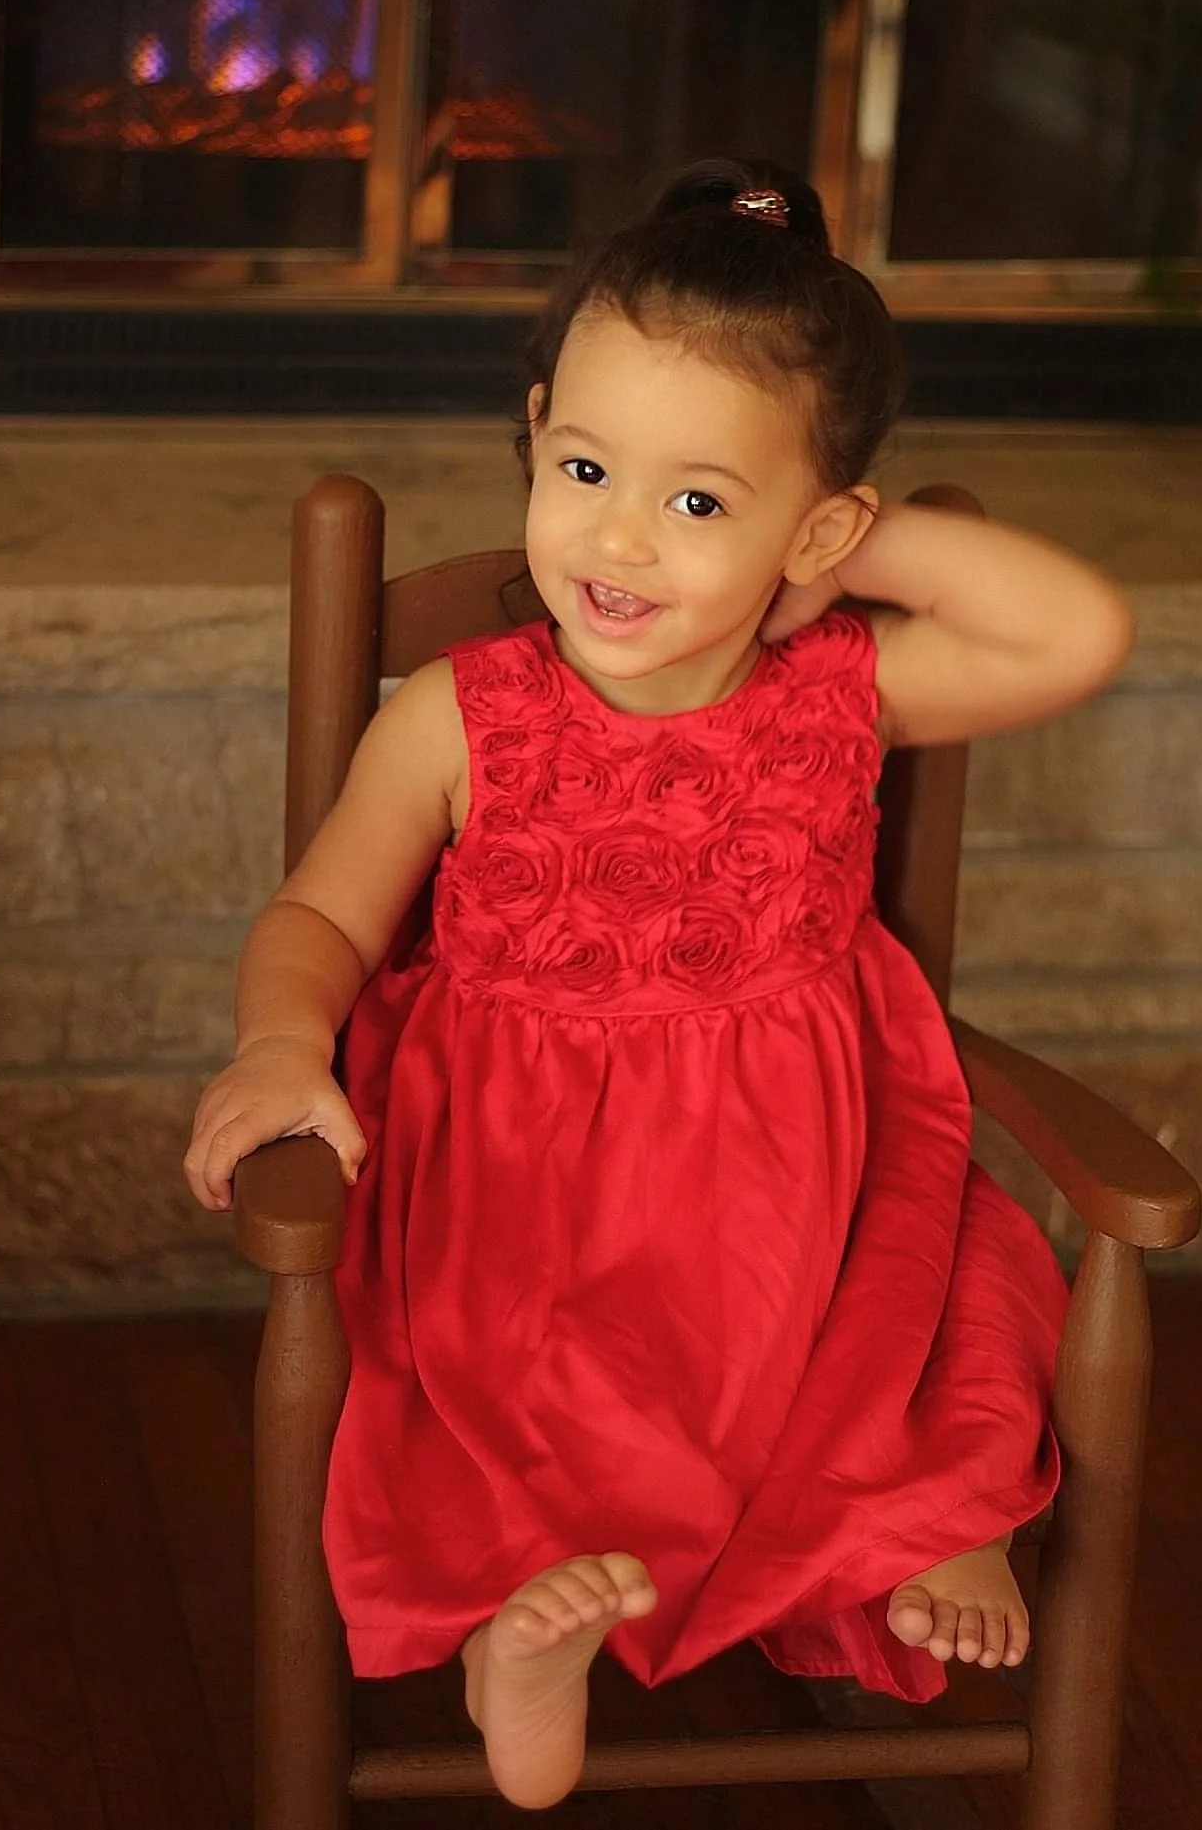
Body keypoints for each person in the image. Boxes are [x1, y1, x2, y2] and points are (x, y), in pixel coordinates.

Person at [185, 159, 1135, 1812]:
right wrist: (280, 1040)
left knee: (961, 1273)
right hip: (525, 1183)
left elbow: (1078, 633)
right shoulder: (461, 715)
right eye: (585, 468)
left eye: (700, 503)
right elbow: (324, 915)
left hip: (800, 1190)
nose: (617, 537)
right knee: (506, 1371)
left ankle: (917, 1517)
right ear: (536, 434)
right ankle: (518, 1639)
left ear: (816, 530)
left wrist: (874, 542)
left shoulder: (843, 689)